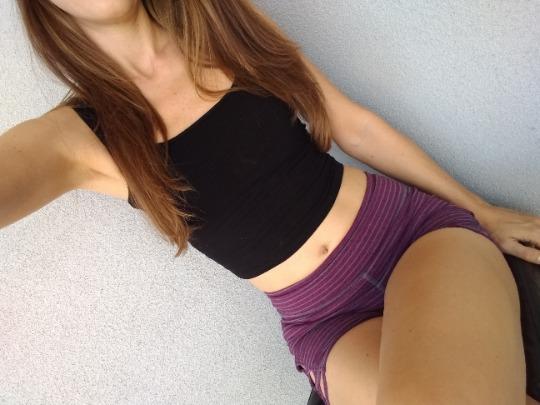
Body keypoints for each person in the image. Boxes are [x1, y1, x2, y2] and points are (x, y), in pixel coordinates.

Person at [2, 1, 540, 404]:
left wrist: (480, 209)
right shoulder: (74, 136)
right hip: (327, 322)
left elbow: (353, 126)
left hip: (413, 240)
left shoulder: (219, 21)